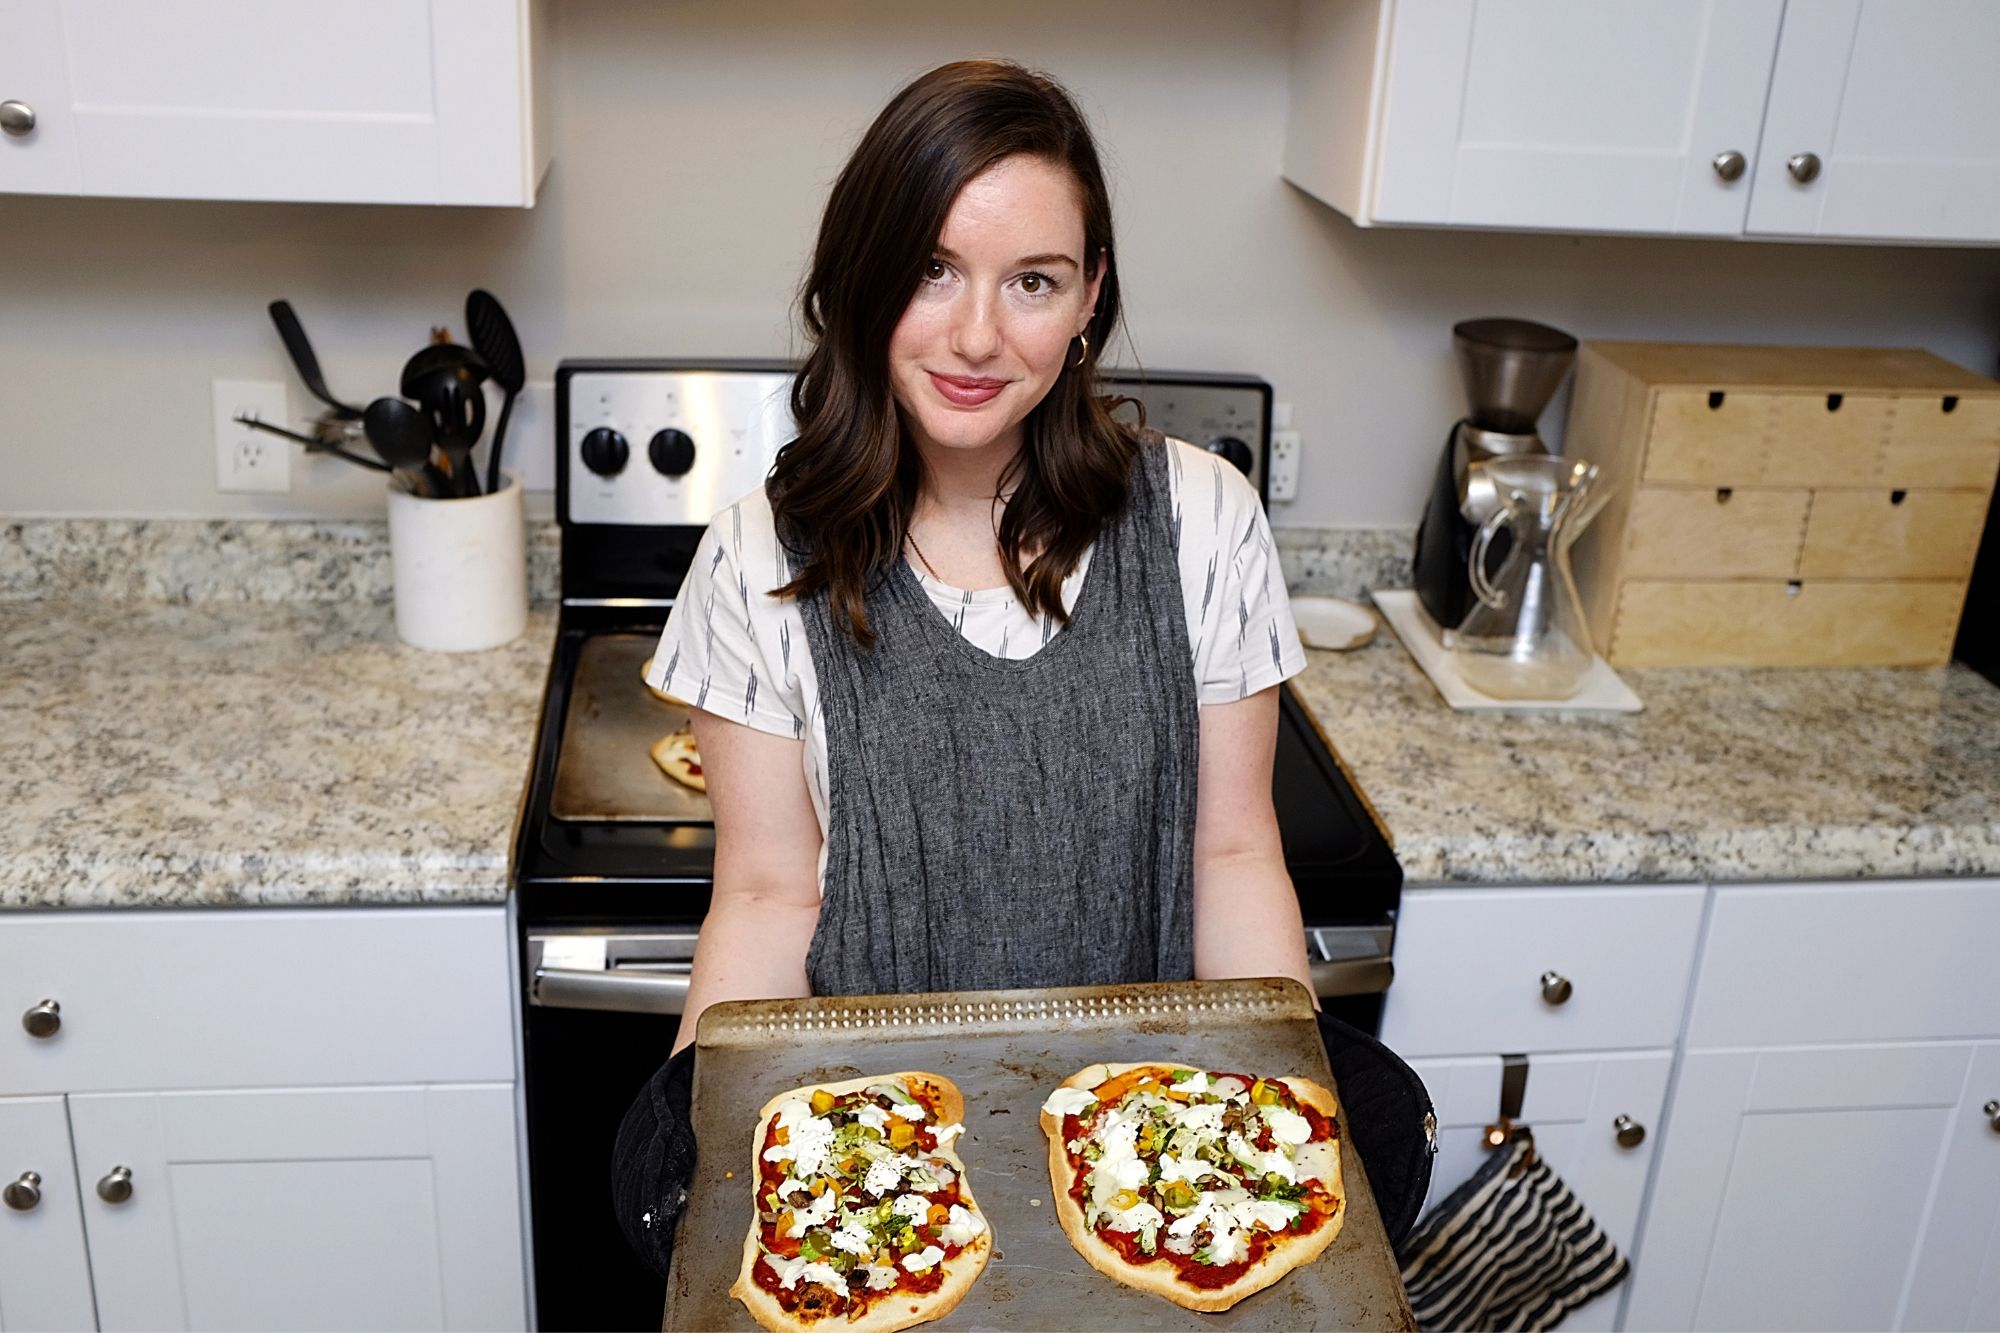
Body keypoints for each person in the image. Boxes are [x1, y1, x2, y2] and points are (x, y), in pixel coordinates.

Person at [613, 58, 1429, 1282]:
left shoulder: (1200, 518)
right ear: (859, 276)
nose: (977, 336)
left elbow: (1231, 851)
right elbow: (770, 898)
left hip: (1157, 1154)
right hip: (877, 1162)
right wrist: (720, 1169)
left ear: (1089, 297)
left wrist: (1278, 1144)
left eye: (1032, 281)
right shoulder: (756, 555)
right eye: (931, 269)